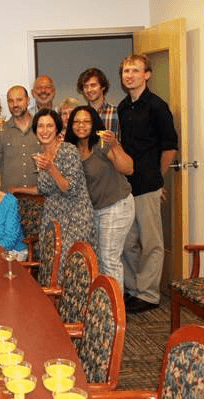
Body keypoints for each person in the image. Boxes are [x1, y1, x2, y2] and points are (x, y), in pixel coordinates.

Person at [118, 54, 178, 313]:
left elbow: (170, 148)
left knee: (152, 243)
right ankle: (133, 289)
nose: (129, 75)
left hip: (148, 185)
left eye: (134, 70)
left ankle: (149, 294)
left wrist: (157, 178)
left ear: (147, 74)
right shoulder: (122, 107)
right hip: (125, 187)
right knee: (127, 242)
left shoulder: (157, 106)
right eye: (125, 71)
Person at [13, 109, 95, 284]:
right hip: (53, 216)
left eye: (49, 125)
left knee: (68, 268)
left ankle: (71, 309)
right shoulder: (41, 154)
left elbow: (69, 188)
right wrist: (15, 189)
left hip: (75, 217)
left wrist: (51, 168)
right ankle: (51, 307)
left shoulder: (68, 150)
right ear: (35, 131)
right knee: (50, 264)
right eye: (40, 126)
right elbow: (44, 188)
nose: (45, 130)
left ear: (57, 129)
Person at [65, 106, 134, 292]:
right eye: (77, 121)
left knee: (109, 258)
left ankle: (114, 313)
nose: (81, 125)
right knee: (98, 259)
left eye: (86, 121)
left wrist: (115, 144)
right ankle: (102, 305)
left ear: (94, 123)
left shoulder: (102, 143)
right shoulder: (71, 149)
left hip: (116, 205)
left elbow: (129, 169)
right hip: (94, 210)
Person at [0, 86, 41, 192]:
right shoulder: (0, 130)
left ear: (28, 101)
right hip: (9, 198)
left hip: (39, 196)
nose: (15, 105)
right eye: (11, 101)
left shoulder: (41, 128)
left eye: (19, 100)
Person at [77, 67, 119, 136]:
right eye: (85, 87)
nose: (89, 90)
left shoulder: (116, 113)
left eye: (93, 85)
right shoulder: (80, 115)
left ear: (103, 87)